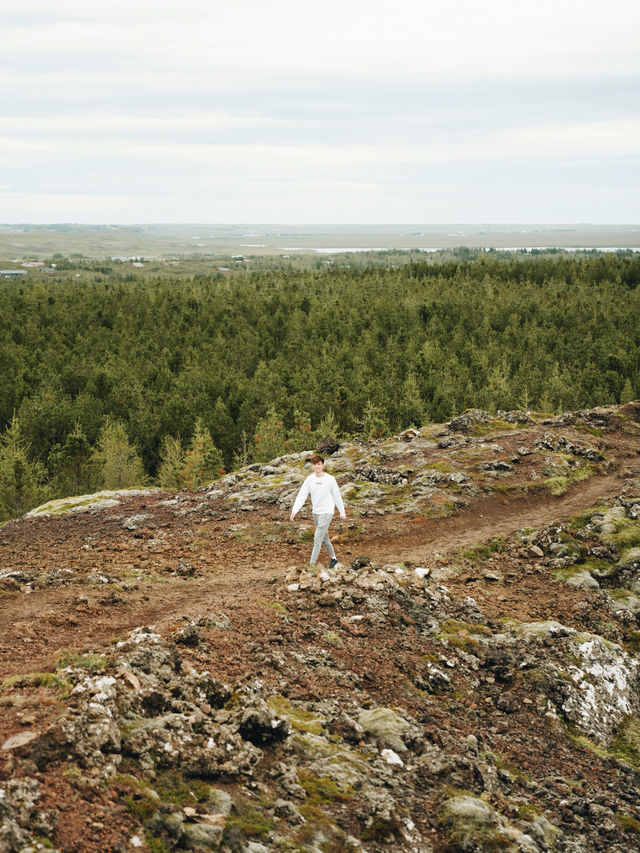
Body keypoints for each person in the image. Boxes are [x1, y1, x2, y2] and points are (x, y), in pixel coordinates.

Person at [290, 454, 346, 568]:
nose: (317, 467)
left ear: (323, 465)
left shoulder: (330, 479)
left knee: (317, 538)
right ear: (312, 466)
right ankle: (334, 558)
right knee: (324, 538)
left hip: (327, 512)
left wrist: (342, 512)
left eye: (319, 464)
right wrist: (295, 510)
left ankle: (311, 565)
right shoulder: (309, 479)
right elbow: (302, 495)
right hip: (316, 512)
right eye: (315, 464)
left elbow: (337, 496)